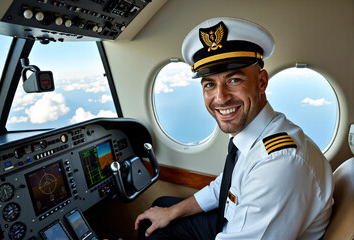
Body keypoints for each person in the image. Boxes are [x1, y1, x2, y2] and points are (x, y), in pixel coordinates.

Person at [135, 17, 334, 239]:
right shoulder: (260, 133)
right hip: (235, 217)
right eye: (210, 84)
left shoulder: (279, 164)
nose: (220, 97)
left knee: (152, 234)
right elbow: (226, 184)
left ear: (261, 83)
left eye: (234, 80)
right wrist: (172, 212)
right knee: (161, 207)